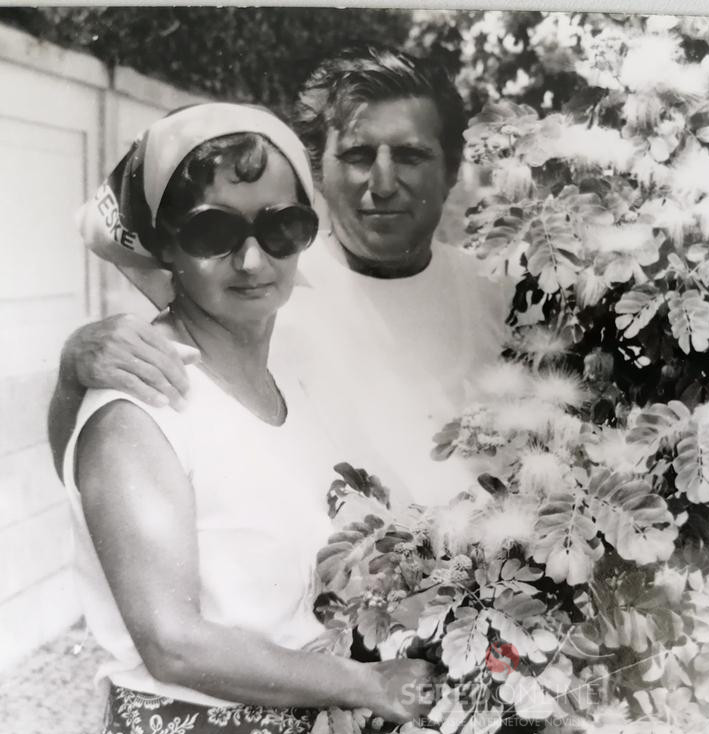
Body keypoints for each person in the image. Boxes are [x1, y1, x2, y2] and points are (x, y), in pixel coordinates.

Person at [63, 103, 434, 734]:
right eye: (214, 232)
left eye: (282, 225)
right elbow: (173, 643)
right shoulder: (140, 408)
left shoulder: (293, 383)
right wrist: (366, 684)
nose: (254, 260)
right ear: (164, 243)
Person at [48, 45, 508, 509]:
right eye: (357, 155)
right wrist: (73, 371)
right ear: (318, 172)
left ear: (451, 171)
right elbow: (111, 459)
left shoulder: (506, 294)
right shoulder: (253, 289)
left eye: (410, 155)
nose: (384, 183)